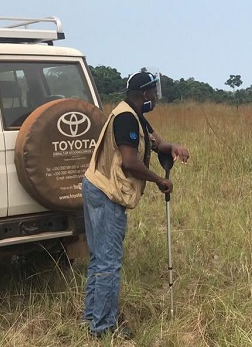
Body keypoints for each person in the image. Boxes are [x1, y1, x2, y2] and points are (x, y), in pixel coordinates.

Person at [81, 70, 190, 339]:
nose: (155, 95)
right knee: (108, 262)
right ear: (145, 93)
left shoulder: (134, 114)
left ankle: (92, 318)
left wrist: (173, 147)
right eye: (153, 91)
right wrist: (158, 181)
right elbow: (130, 162)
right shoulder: (126, 118)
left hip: (96, 186)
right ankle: (103, 328)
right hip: (107, 192)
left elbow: (157, 143)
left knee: (98, 258)